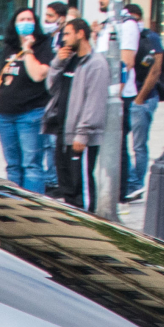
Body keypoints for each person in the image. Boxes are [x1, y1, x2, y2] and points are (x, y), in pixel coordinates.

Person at [53, 16, 110, 209]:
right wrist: (58, 63)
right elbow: (51, 88)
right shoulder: (69, 61)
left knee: (81, 187)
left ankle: (88, 224)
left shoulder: (96, 63)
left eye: (68, 34)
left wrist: (83, 133)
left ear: (81, 34)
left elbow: (94, 101)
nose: (64, 39)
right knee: (67, 186)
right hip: (63, 132)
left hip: (80, 135)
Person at [0, 7, 53, 192]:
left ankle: (33, 206)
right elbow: (3, 77)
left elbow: (37, 75)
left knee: (31, 165)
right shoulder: (9, 48)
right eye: (21, 19)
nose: (25, 22)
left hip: (30, 113)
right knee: (12, 165)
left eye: (29, 19)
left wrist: (28, 49)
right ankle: (14, 203)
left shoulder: (43, 46)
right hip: (5, 114)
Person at [124, 21, 164, 200]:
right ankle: (132, 182)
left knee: (138, 144)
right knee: (122, 142)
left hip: (144, 97)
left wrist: (140, 98)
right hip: (129, 96)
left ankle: (136, 184)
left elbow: (155, 70)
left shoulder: (150, 38)